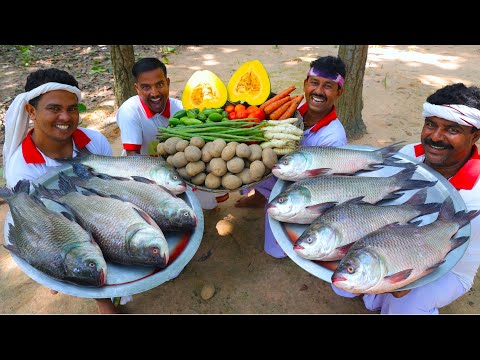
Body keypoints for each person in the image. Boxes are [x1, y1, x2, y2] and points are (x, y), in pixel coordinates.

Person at [331, 83, 480, 314]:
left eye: (452, 130)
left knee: (402, 305)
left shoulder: (475, 195)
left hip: (447, 264)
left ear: (475, 136)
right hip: (397, 242)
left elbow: (444, 248)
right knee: (347, 283)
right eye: (430, 124)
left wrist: (408, 278)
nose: (436, 137)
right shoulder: (411, 154)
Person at [2, 68, 118, 314]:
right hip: (60, 225)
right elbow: (46, 225)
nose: (65, 117)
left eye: (72, 108)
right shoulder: (23, 170)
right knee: (85, 263)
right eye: (54, 108)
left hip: (102, 210)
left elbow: (110, 181)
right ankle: (103, 301)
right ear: (31, 111)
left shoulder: (95, 142)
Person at [235, 55, 348, 258]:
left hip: (304, 191)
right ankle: (261, 194)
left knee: (276, 252)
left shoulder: (334, 137)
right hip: (277, 171)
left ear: (339, 92)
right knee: (245, 157)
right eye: (314, 83)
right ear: (305, 84)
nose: (319, 91)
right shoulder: (292, 111)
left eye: (328, 86)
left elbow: (324, 188)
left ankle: (272, 198)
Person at [116, 57, 228, 209]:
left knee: (210, 196)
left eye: (160, 84)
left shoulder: (181, 109)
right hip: (141, 168)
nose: (154, 93)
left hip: (177, 166)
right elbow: (132, 158)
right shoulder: (129, 111)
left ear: (168, 83)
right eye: (146, 87)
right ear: (137, 89)